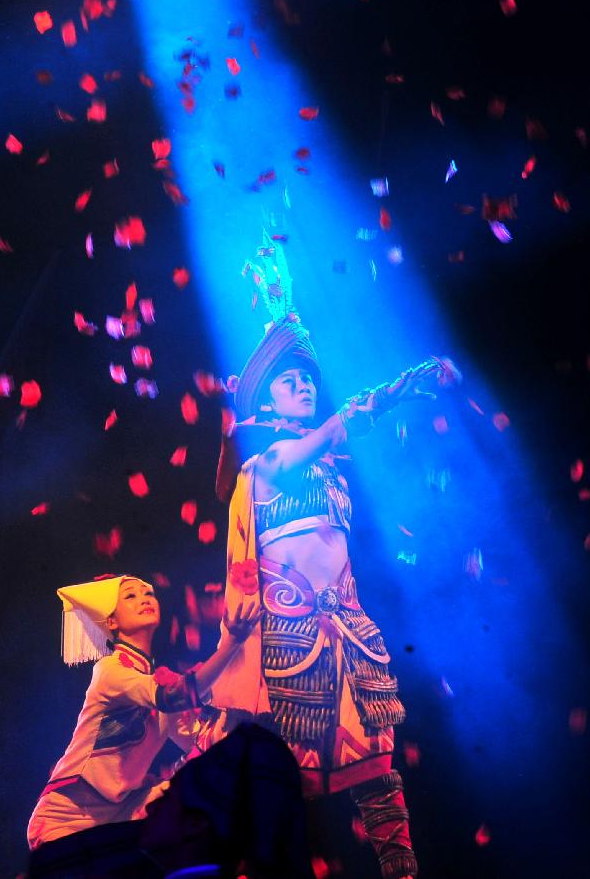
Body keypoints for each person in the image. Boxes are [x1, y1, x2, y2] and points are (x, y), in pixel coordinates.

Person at [206, 236, 460, 879]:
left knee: (377, 768)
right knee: (279, 789)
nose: (304, 388)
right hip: (288, 643)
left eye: (307, 380)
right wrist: (406, 386)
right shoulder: (266, 463)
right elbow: (335, 428)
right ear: (266, 401)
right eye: (290, 382)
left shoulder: (329, 471)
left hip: (346, 632)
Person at [27, 573, 260, 849]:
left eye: (148, 593)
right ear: (111, 622)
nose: (144, 599)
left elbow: (201, 742)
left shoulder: (155, 681)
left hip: (121, 813)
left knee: (197, 776)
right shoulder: (110, 671)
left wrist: (238, 712)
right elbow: (175, 697)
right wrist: (230, 645)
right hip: (66, 820)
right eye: (130, 596)